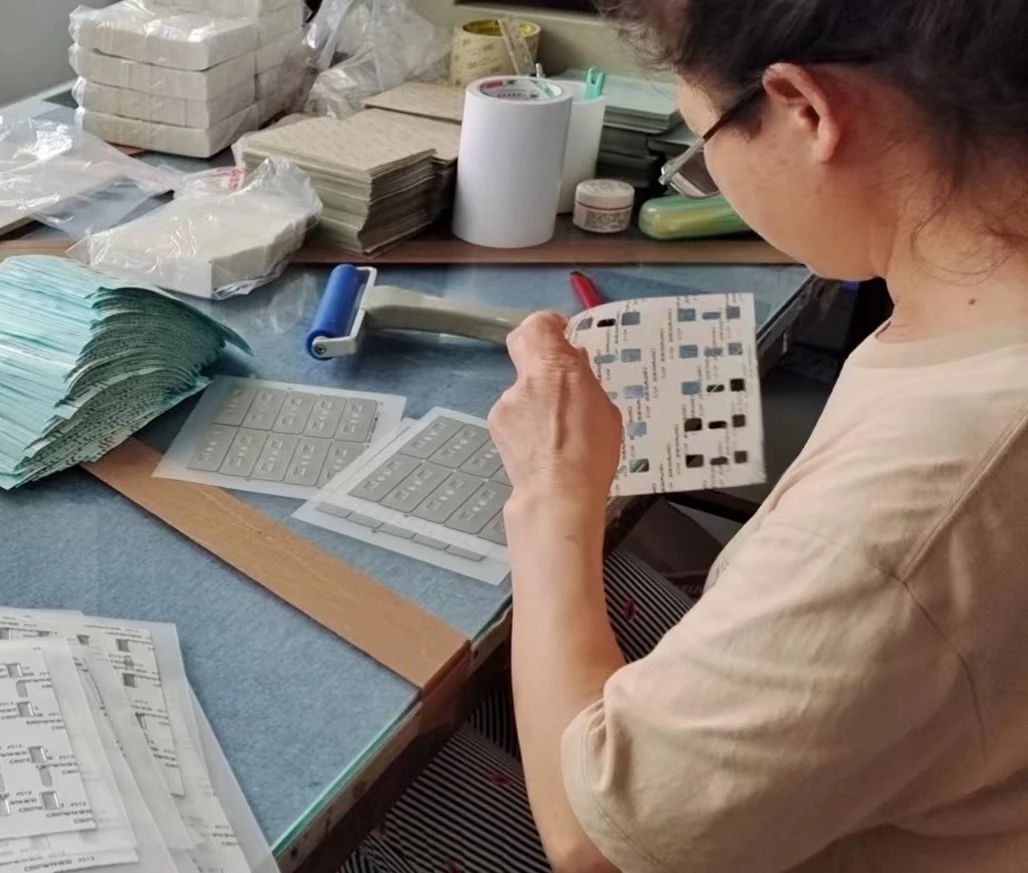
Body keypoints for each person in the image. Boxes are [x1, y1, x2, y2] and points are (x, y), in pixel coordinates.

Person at [346, 0, 1028, 870]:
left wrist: (554, 493)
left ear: (805, 109)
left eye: (703, 149)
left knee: (375, 798)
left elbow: (594, 843)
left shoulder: (912, 512)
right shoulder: (967, 309)